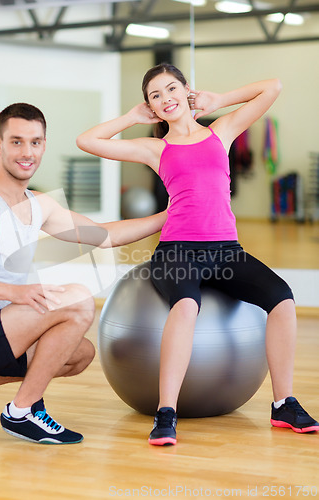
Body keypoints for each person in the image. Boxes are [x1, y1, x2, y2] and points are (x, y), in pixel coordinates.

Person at [76, 63, 319, 446]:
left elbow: (272, 86)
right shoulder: (155, 148)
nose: (165, 99)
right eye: (155, 96)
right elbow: (87, 141)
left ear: (186, 91)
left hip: (227, 251)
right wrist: (130, 117)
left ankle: (283, 403)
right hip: (177, 251)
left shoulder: (220, 132)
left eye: (171, 89)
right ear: (151, 108)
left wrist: (219, 99)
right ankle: (166, 412)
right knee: (187, 304)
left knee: (283, 298)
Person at [0, 102, 168, 445]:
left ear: (44, 145)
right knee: (78, 302)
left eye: (35, 142)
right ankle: (21, 412)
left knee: (79, 354)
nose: (27, 152)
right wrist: (15, 293)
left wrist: (173, 214)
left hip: (7, 326)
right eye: (17, 141)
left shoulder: (39, 204)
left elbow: (104, 235)